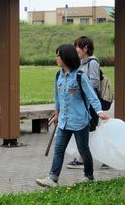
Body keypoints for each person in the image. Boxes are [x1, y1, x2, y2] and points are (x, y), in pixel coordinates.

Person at [36, 44, 109, 187]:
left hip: (79, 121)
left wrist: (100, 112)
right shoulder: (58, 75)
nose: (56, 58)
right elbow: (57, 98)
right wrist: (57, 114)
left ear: (66, 57)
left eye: (58, 55)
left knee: (84, 150)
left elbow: (91, 96)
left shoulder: (80, 76)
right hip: (64, 121)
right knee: (58, 149)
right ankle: (53, 178)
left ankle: (89, 176)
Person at [66, 36, 109, 170]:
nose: (75, 49)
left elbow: (94, 83)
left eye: (77, 46)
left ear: (86, 48)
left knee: (91, 131)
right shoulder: (80, 63)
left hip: (91, 104)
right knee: (88, 131)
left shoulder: (92, 62)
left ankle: (85, 159)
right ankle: (85, 158)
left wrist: (80, 86)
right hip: (83, 103)